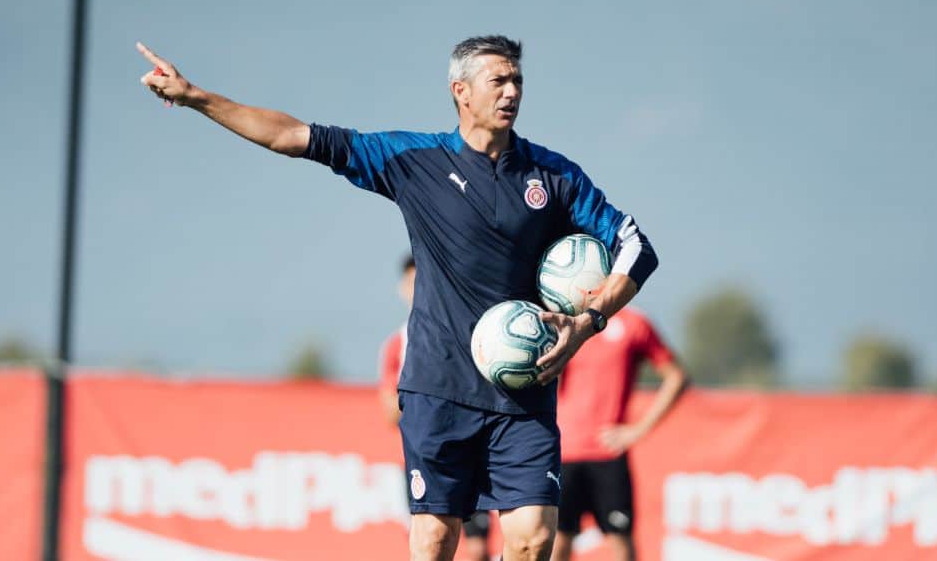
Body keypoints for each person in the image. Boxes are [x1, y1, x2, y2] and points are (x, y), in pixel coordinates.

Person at [137, 35, 658, 561]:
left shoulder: (555, 176)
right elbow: (292, 136)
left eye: (517, 80)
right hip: (439, 389)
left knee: (533, 539)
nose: (511, 91)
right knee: (435, 541)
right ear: (461, 91)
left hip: (523, 394)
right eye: (498, 80)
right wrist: (195, 96)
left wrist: (589, 320)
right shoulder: (415, 160)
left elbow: (637, 246)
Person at [550, 308, 688, 561]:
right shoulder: (560, 320)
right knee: (557, 542)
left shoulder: (633, 324)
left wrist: (638, 430)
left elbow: (676, 377)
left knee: (620, 542)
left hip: (608, 453)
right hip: (562, 452)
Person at [380, 255, 492, 561]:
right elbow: (390, 412)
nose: (417, 289)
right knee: (431, 540)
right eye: (410, 282)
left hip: (472, 448)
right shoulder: (398, 344)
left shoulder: (475, 332)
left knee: (479, 547)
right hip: (427, 453)